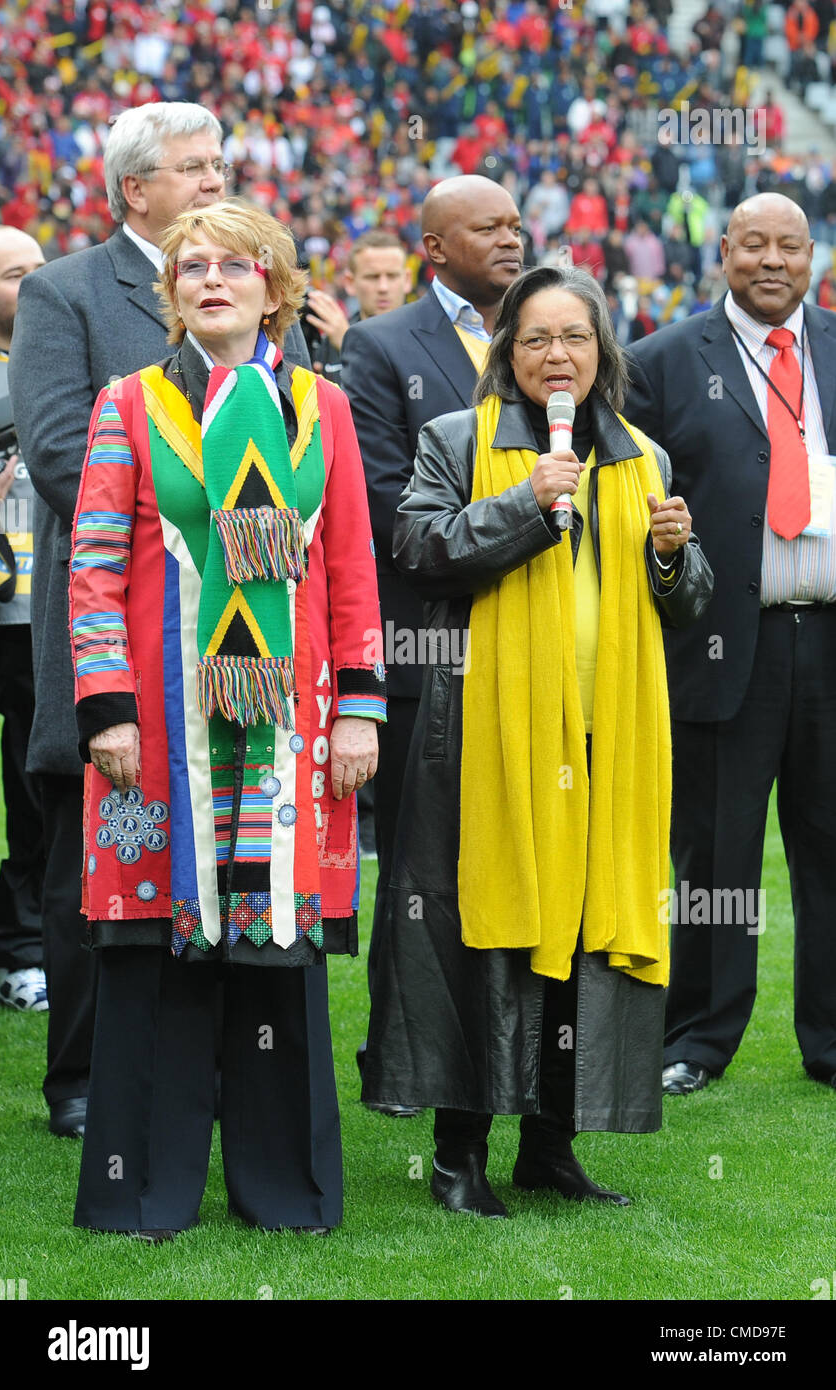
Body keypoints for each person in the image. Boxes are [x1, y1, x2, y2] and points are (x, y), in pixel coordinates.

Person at [362, 265, 713, 1216]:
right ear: (505, 354)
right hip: (489, 735)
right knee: (490, 935)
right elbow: (420, 550)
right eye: (534, 340)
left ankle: (551, 1146)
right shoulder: (455, 440)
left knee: (587, 930)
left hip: (607, 736)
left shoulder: (642, 454)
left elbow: (686, 607)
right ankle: (458, 1154)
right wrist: (527, 501)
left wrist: (676, 558)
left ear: (605, 354)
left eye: (576, 338)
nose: (556, 357)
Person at [68, 198, 386, 1239]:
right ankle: (140, 1193)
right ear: (170, 293)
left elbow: (348, 567)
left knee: (275, 951)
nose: (211, 279)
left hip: (289, 733)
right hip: (158, 732)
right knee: (153, 951)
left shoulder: (321, 411)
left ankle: (284, 1195)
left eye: (235, 266)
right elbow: (96, 564)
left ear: (276, 289)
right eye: (191, 266)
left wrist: (359, 711)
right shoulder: (128, 404)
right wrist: (106, 705)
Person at [10, 100, 311, 1140]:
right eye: (192, 167)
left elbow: (297, 454)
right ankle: (87, 1076)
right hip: (124, 630)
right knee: (96, 850)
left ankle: (219, 1069)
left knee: (232, 848)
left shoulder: (262, 283)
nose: (213, 180)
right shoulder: (65, 291)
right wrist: (193, 522)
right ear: (134, 189)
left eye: (219, 162)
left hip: (251, 643)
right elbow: (55, 453)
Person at [624, 193, 836, 1096]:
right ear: (722, 252)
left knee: (830, 848)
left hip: (827, 635)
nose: (774, 261)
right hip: (720, 644)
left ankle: (830, 1044)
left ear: (813, 254)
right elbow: (635, 510)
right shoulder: (663, 363)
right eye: (755, 245)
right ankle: (698, 1039)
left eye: (791, 245)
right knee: (716, 853)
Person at [340, 174, 524, 1117]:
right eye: (487, 226)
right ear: (436, 249)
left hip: (537, 654)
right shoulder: (380, 346)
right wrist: (517, 529)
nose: (511, 236)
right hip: (428, 650)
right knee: (421, 872)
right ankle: (400, 1064)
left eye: (516, 222)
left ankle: (510, 1065)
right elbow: (382, 498)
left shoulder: (553, 331)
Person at [0, 228, 47, 1014]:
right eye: (16, 275)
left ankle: (29, 946)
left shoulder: (60, 362)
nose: (36, 284)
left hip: (41, 609)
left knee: (36, 780)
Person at [306, 230, 412, 383]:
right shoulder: (329, 342)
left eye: (392, 276)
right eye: (372, 277)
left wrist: (348, 347)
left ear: (407, 280)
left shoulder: (428, 339)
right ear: (350, 282)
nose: (383, 287)